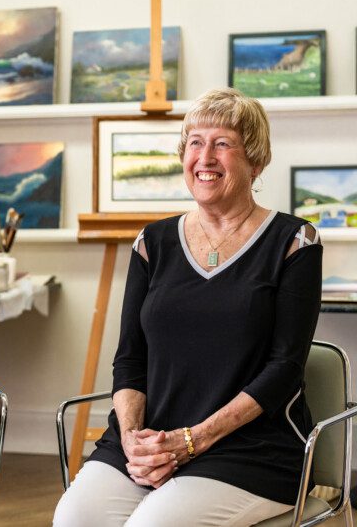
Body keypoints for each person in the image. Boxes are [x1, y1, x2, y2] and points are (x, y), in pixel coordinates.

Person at [54, 88, 323, 526]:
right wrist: (132, 439)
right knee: (74, 518)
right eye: (195, 142)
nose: (205, 156)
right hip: (153, 436)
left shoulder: (294, 242)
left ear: (255, 161)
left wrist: (192, 440)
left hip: (252, 449)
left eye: (223, 143)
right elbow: (129, 359)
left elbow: (284, 370)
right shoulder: (152, 243)